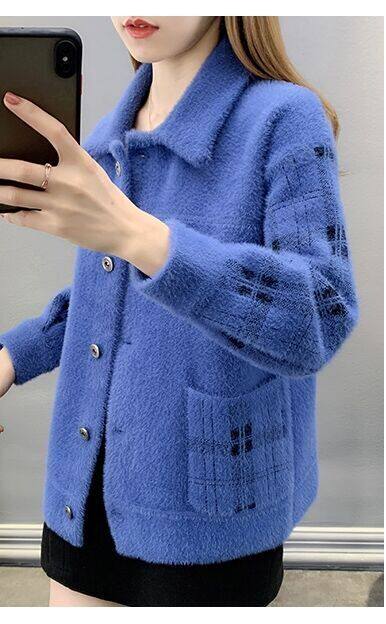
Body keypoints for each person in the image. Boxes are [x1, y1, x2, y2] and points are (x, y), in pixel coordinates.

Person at [0, 16, 357, 606]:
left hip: (211, 499)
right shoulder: (104, 141)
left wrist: (140, 237)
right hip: (82, 488)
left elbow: (320, 317)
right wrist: (13, 355)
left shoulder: (284, 118)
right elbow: (101, 300)